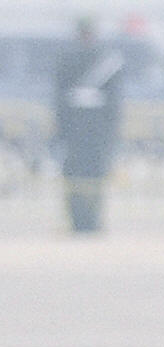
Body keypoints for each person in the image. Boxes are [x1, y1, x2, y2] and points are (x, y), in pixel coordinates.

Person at [52, 16, 125, 234]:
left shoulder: (72, 59)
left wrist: (62, 127)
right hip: (91, 130)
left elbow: (59, 99)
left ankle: (86, 222)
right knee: (83, 176)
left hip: (81, 129)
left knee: (89, 176)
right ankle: (84, 222)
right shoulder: (99, 59)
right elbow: (113, 104)